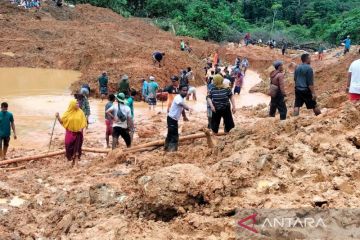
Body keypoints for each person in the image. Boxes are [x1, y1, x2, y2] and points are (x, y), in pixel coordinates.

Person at [55, 99, 87, 166]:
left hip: (78, 133)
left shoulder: (81, 112)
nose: (78, 104)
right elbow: (62, 122)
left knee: (77, 148)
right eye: (76, 103)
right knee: (68, 145)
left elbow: (84, 122)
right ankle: (71, 158)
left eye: (78, 103)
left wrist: (81, 129)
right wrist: (58, 117)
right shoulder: (67, 113)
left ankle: (75, 163)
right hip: (69, 133)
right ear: (72, 105)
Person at [164, 85, 192, 152]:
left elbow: (181, 108)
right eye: (183, 90)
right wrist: (189, 108)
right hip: (172, 119)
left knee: (170, 134)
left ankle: (166, 148)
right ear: (179, 91)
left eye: (186, 90)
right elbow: (182, 104)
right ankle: (172, 151)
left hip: (172, 119)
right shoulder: (178, 97)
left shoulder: (181, 98)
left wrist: (184, 116)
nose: (185, 92)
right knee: (174, 136)